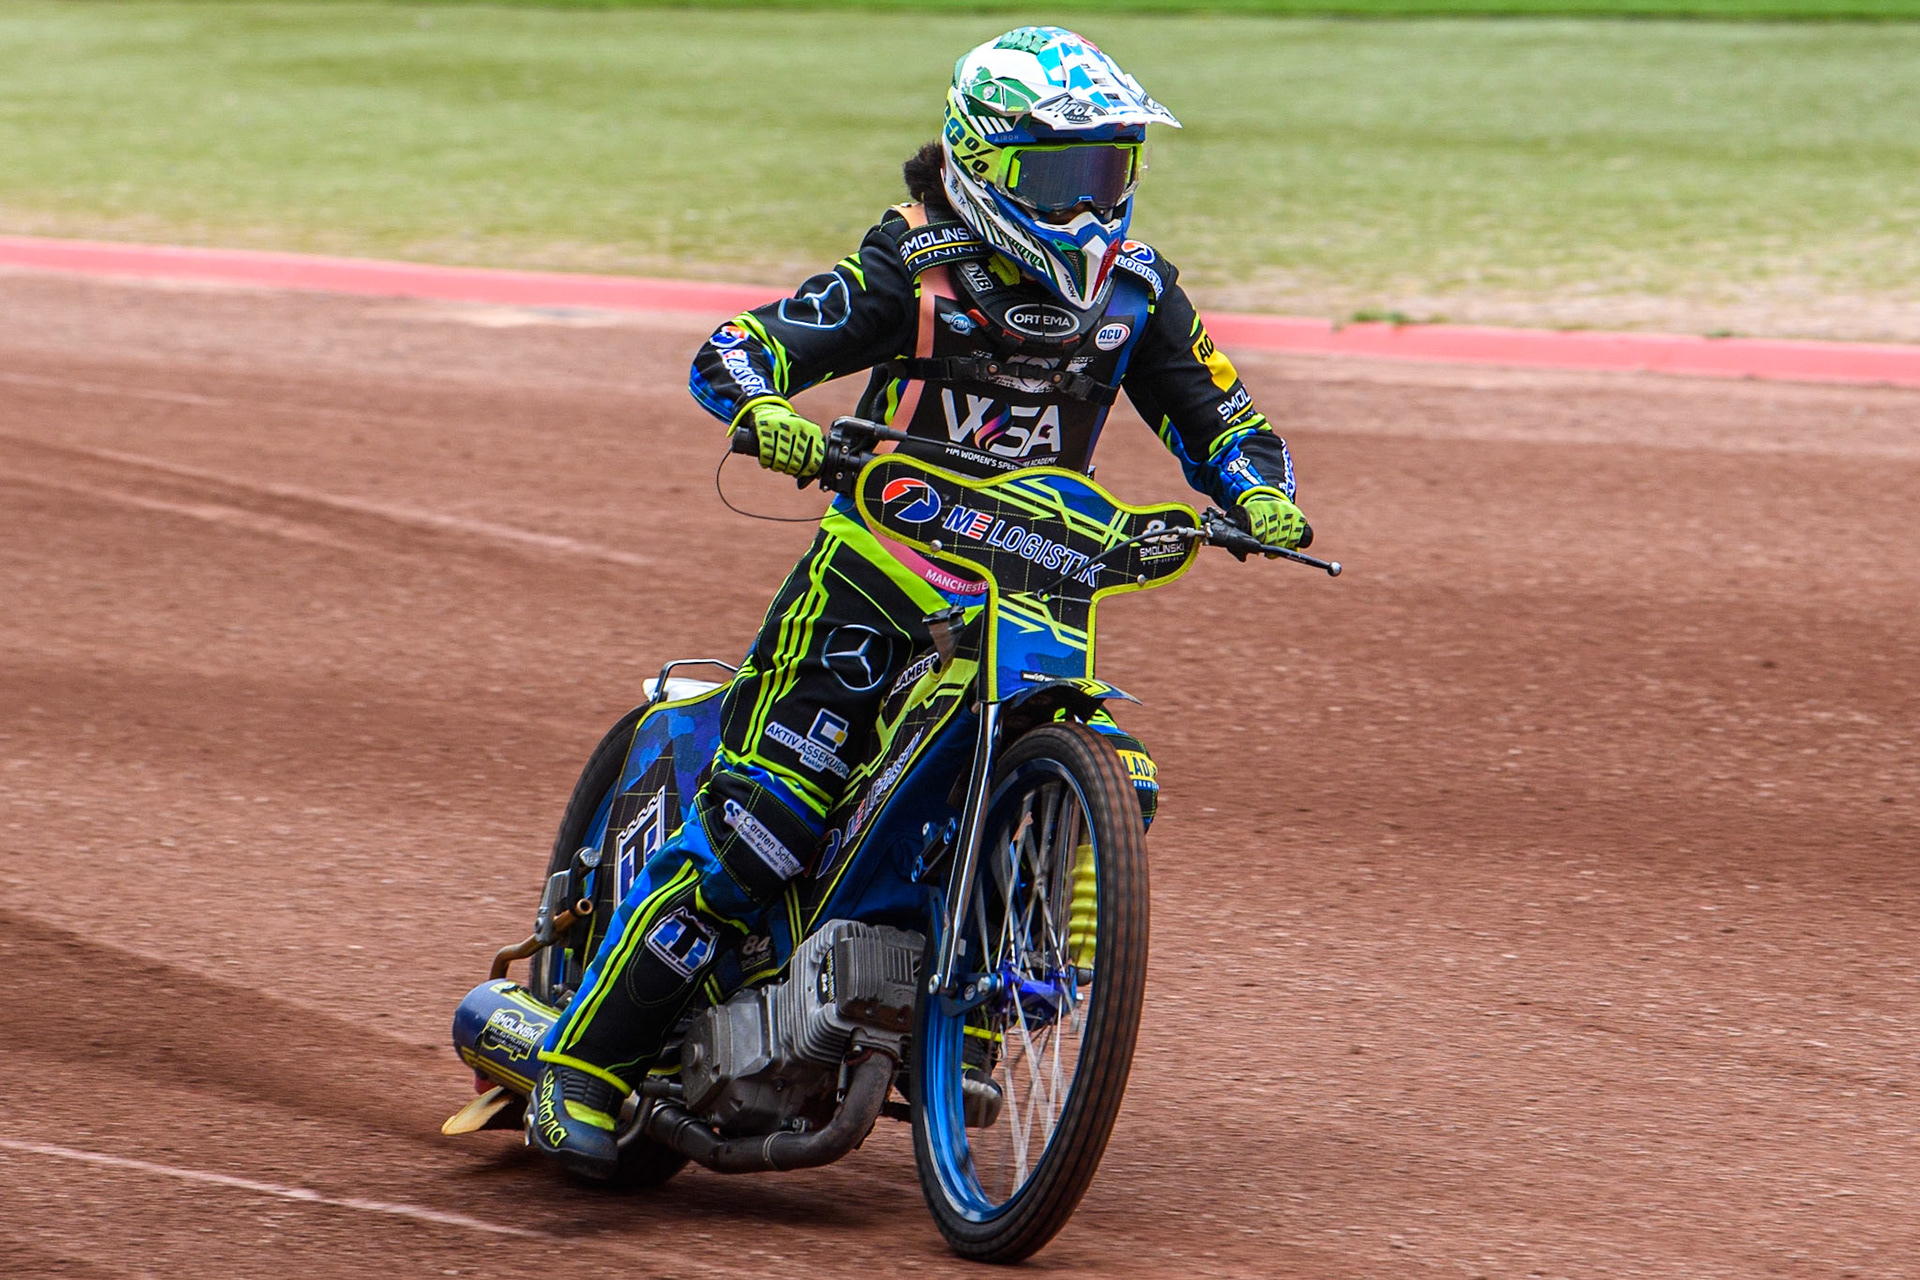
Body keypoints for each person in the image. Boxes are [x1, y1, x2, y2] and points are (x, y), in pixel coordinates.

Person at [531, 25, 1309, 1177]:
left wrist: (1260, 492)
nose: (1091, 204)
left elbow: (1224, 417)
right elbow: (739, 349)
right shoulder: (917, 265)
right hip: (874, 578)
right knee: (765, 820)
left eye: (1109, 171)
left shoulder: (1138, 292)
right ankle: (584, 1062)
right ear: (984, 166)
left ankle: (971, 1005)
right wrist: (768, 412)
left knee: (1117, 776)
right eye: (1062, 173)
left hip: (1034, 583)